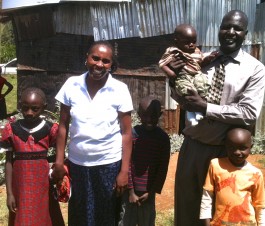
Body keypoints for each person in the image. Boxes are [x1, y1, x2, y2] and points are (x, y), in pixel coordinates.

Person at [167, 10, 265, 226]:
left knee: (221, 214)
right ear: (219, 30)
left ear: (245, 34)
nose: (230, 32)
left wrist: (206, 107)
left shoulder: (254, 69)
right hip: (192, 147)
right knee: (186, 209)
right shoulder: (201, 59)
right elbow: (183, 99)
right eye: (226, 26)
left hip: (226, 154)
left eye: (237, 28)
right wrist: (173, 80)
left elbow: (249, 112)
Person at [52, 40, 133, 226]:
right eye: (95, 58)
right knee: (79, 214)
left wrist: (124, 171)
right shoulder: (72, 85)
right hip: (77, 164)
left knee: (106, 215)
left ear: (111, 65)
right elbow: (63, 125)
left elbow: (126, 133)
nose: (99, 64)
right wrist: (58, 161)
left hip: (108, 164)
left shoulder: (120, 89)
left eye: (106, 61)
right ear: (86, 58)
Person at [1, 87, 64, 226]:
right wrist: (10, 193)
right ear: (20, 106)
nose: (29, 113)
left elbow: (60, 155)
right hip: (20, 185)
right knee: (22, 215)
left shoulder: (51, 129)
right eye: (25, 108)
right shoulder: (11, 129)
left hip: (43, 184)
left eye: (35, 109)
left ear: (44, 107)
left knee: (45, 216)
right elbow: (9, 162)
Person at [119, 96, 170, 226]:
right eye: (145, 115)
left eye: (153, 115)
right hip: (130, 192)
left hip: (148, 193)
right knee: (126, 221)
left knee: (146, 222)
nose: (149, 119)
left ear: (160, 114)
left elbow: (162, 168)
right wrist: (130, 191)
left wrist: (151, 192)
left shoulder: (162, 139)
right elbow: (127, 163)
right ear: (139, 114)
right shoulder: (133, 134)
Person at [200, 127, 265, 225]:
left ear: (251, 147)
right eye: (232, 148)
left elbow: (260, 205)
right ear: (225, 146)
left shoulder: (256, 173)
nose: (237, 152)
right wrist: (206, 222)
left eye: (243, 148)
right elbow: (207, 197)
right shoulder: (216, 165)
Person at [159, 24, 211, 126]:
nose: (191, 45)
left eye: (194, 41)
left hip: (196, 75)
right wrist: (173, 74)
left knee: (202, 86)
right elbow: (162, 64)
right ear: (176, 42)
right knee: (188, 92)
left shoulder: (197, 51)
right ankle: (191, 113)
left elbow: (200, 64)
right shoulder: (174, 52)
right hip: (183, 76)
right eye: (187, 42)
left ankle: (199, 111)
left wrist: (208, 60)